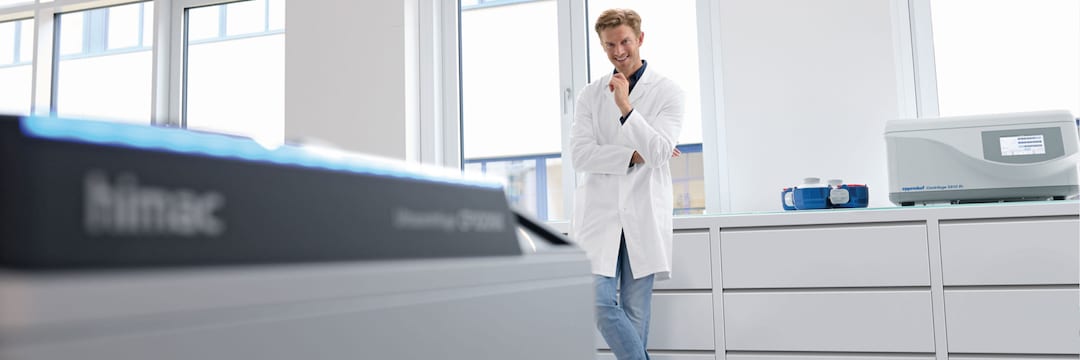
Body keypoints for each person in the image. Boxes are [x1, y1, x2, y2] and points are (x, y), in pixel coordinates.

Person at [569, 8, 685, 360]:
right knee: (598, 300)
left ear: (640, 39)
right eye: (609, 45)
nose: (618, 51)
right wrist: (635, 155)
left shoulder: (669, 92)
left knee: (636, 314)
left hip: (643, 212)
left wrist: (625, 107)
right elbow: (580, 155)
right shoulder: (589, 95)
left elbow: (661, 153)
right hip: (599, 214)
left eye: (624, 42)